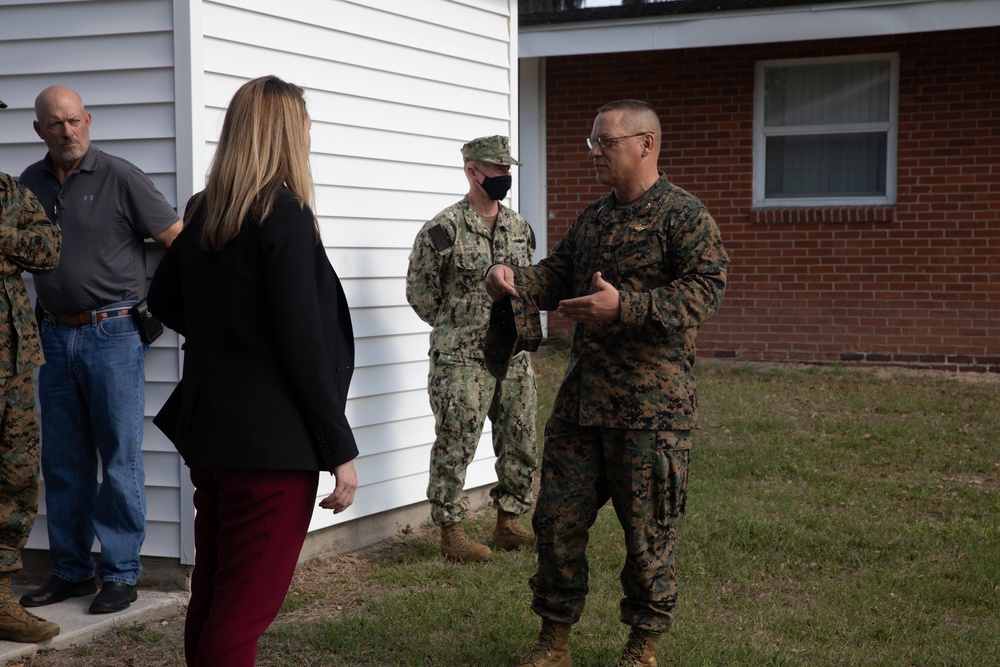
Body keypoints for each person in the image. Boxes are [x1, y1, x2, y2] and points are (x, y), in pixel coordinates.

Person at [486, 100, 729, 667]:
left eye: (606, 142)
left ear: (645, 144)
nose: (594, 151)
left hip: (651, 411)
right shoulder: (594, 218)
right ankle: (554, 643)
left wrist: (627, 307)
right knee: (555, 522)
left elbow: (706, 291)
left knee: (647, 535)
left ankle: (641, 649)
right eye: (591, 141)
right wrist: (515, 279)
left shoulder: (684, 217)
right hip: (581, 404)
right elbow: (558, 272)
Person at [146, 75, 359, 667]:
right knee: (240, 612)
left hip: (214, 434)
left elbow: (165, 300)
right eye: (307, 125)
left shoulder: (208, 209)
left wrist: (228, 333)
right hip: (269, 446)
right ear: (286, 133)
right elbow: (302, 343)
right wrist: (337, 447)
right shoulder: (283, 214)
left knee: (215, 593)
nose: (312, 136)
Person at [16, 86, 183, 614]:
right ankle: (69, 571)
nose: (67, 132)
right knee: (63, 459)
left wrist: (156, 315)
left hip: (113, 334)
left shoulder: (121, 176)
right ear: (38, 129)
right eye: (55, 124)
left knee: (118, 457)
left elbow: (179, 242)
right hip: (53, 334)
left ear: (88, 120)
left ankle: (120, 573)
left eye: (74, 121)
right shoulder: (28, 184)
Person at [406, 135, 538, 563]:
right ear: (472, 172)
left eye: (507, 170)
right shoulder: (442, 230)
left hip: (514, 353)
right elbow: (420, 294)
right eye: (497, 170)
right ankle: (452, 533)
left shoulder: (519, 228)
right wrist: (458, 325)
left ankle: (508, 523)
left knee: (520, 439)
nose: (504, 177)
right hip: (461, 356)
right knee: (456, 440)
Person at [0, 96, 63, 643]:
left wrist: (2, 241)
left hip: (16, 363)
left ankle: (0, 599)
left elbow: (47, 248)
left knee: (16, 478)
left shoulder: (8, 191)